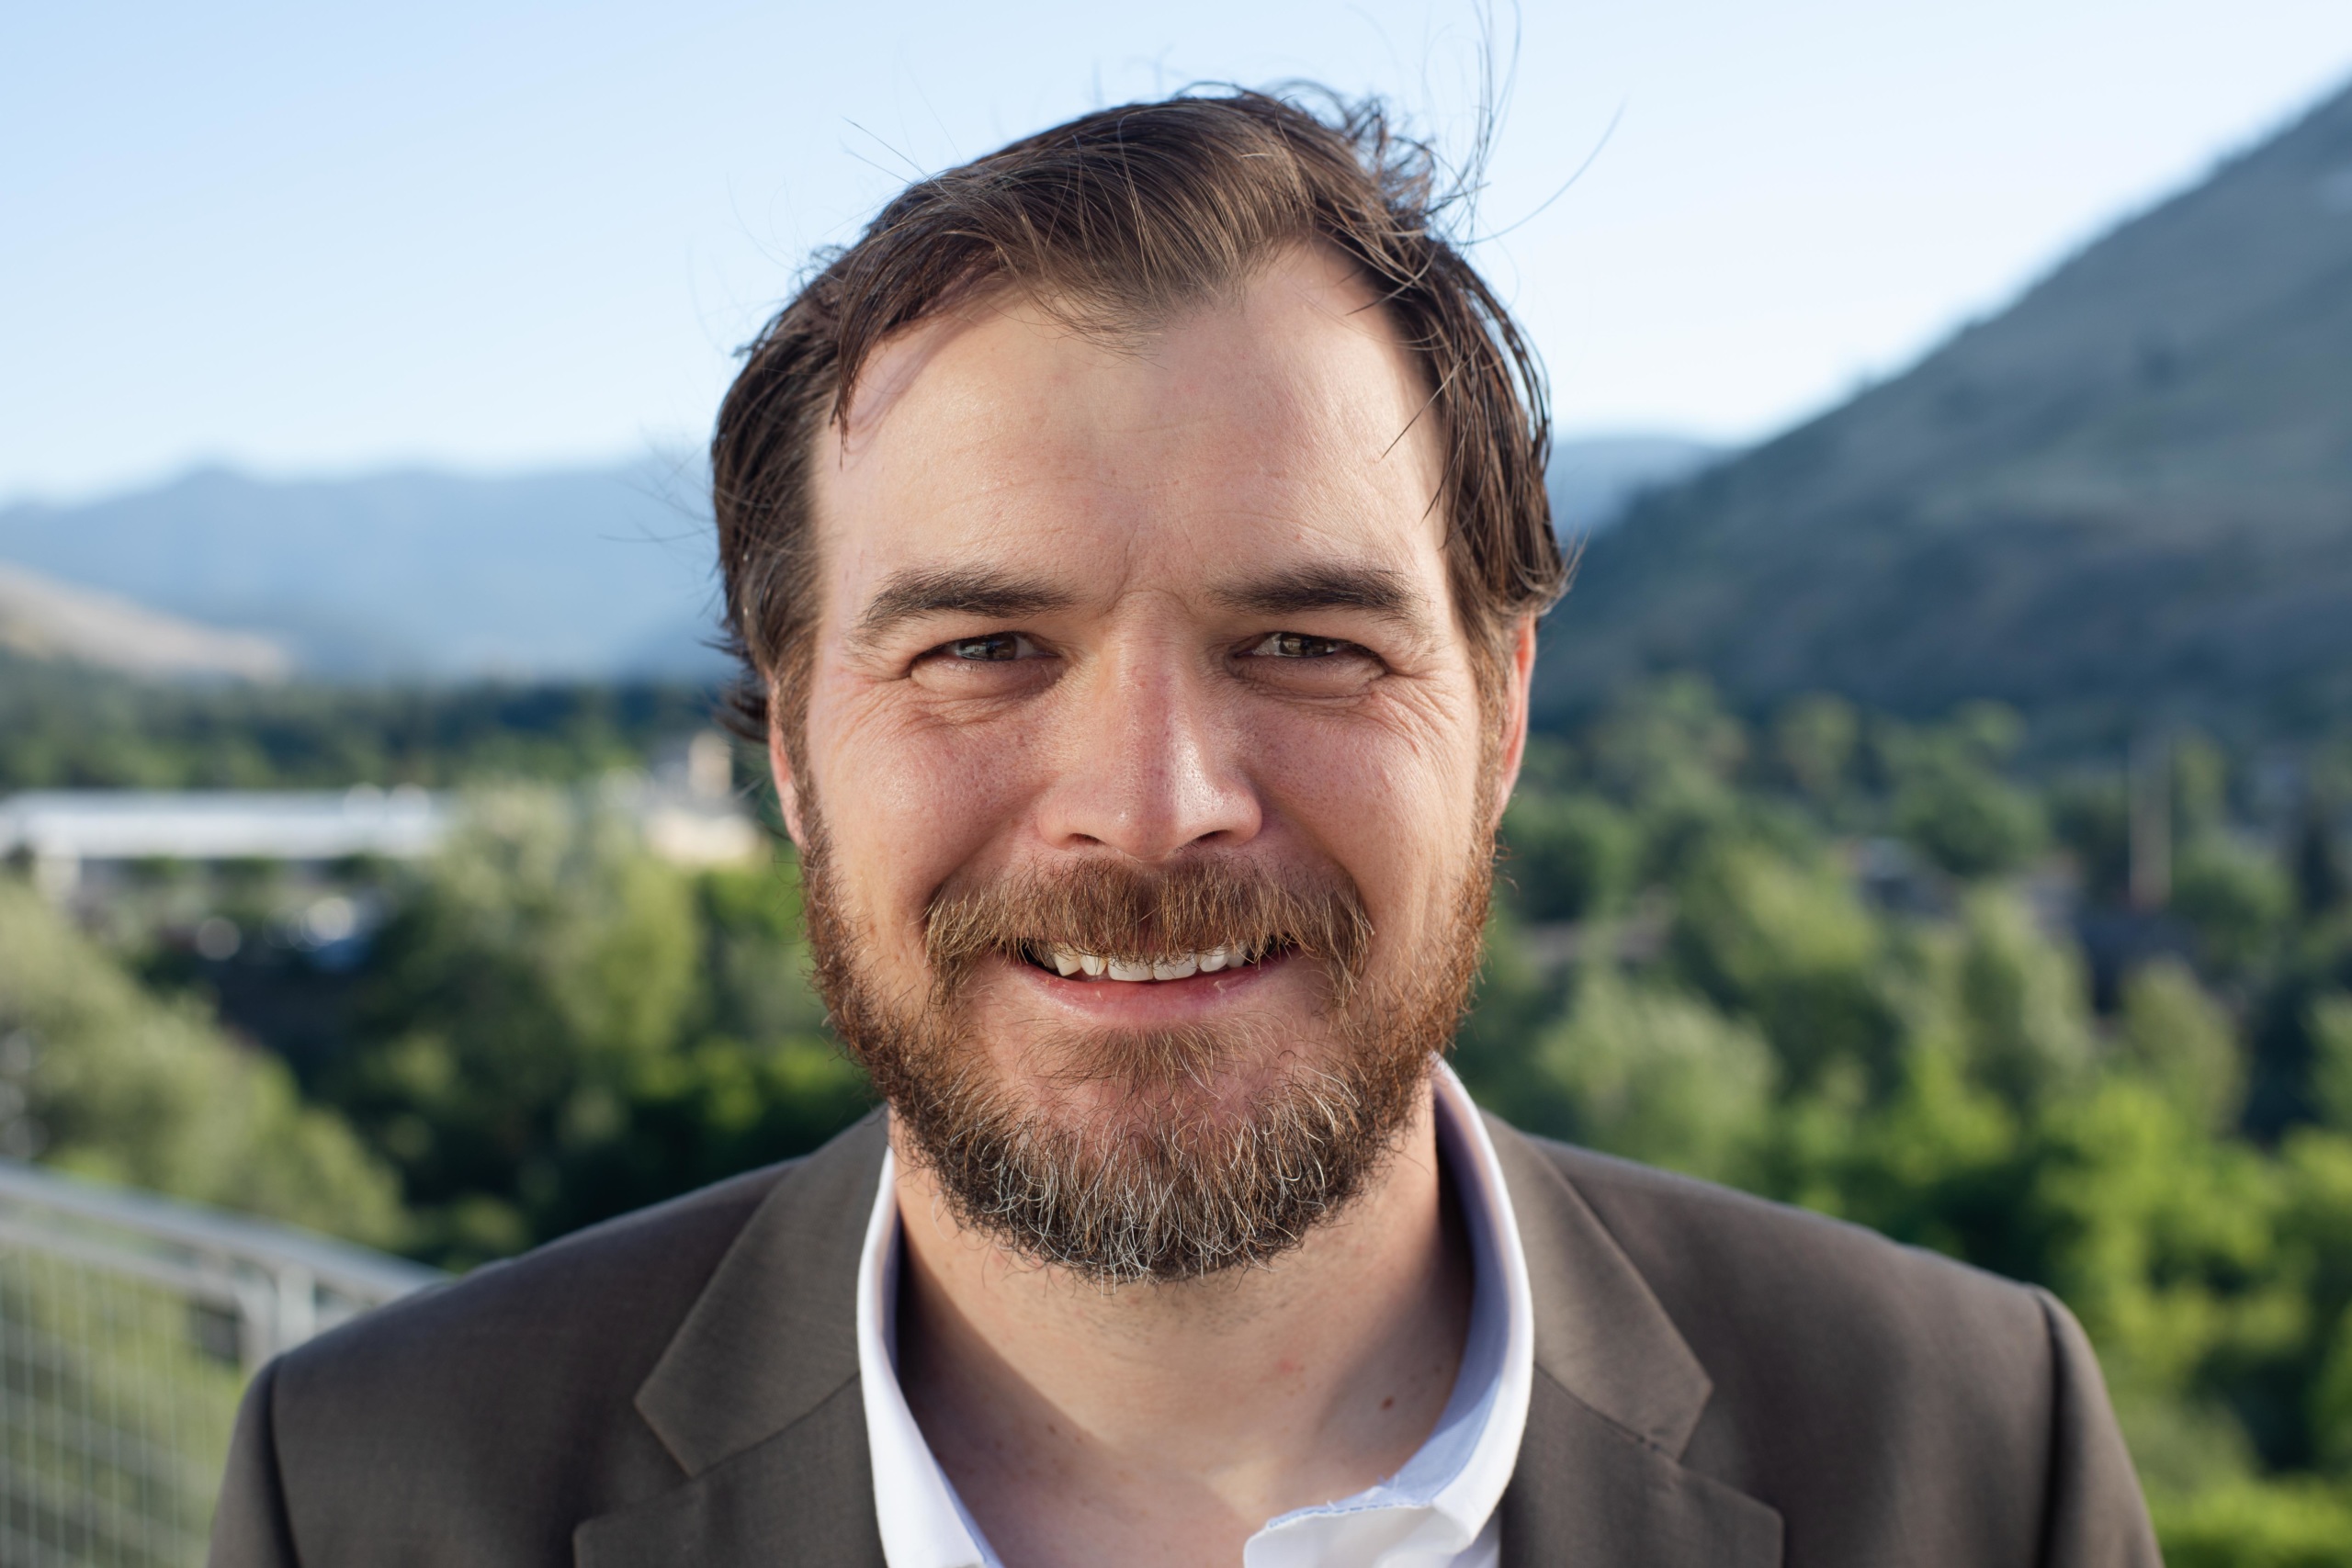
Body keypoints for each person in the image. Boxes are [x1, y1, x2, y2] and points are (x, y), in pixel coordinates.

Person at [210, 90, 2159, 1568]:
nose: (1150, 801)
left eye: (1304, 640)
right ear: (791, 750)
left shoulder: (1965, 1455)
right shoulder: (385, 1490)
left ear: (1499, 714)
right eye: (982, 647)